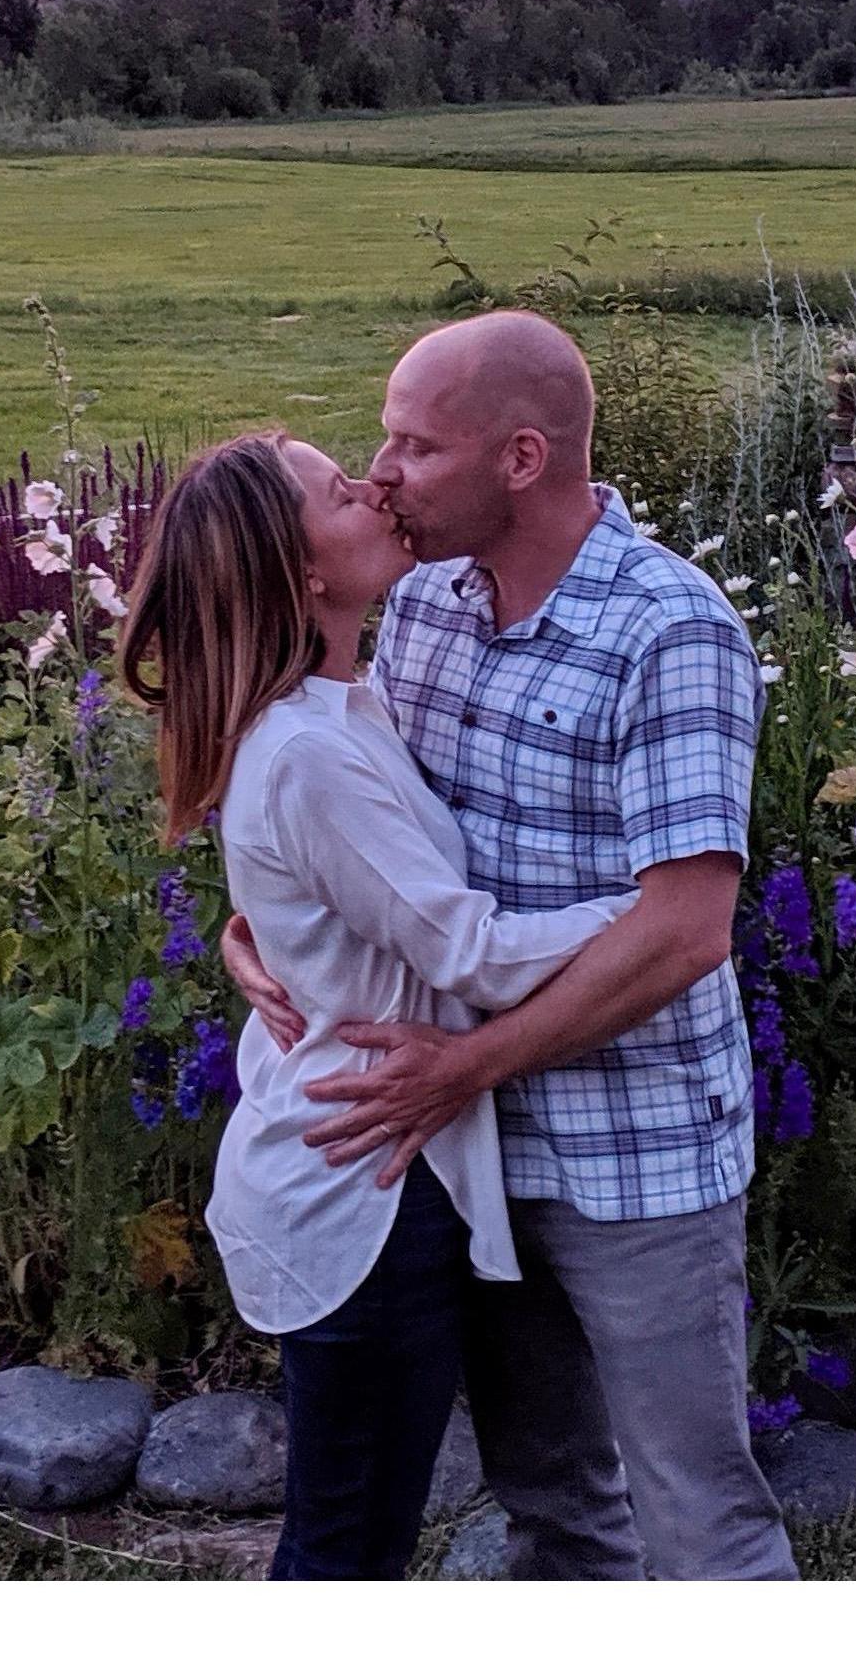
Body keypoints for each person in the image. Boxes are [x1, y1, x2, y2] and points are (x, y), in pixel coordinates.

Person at [220, 311, 796, 1581]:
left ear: (521, 458)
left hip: (629, 1154)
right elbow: (350, 825)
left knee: (701, 1513)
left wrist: (466, 1067)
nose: (381, 472)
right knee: (552, 1504)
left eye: (416, 447)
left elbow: (684, 932)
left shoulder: (668, 629)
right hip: (470, 1161)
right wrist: (251, 922)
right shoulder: (422, 603)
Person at [118, 429, 630, 1580]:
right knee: (347, 1551)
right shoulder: (309, 750)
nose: (378, 486)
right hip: (366, 1189)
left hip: (369, 1155)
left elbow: (331, 905)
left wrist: (252, 937)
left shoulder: (344, 705)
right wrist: (650, 922)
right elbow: (470, 953)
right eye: (343, 492)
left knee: (354, 1536)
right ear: (300, 573)